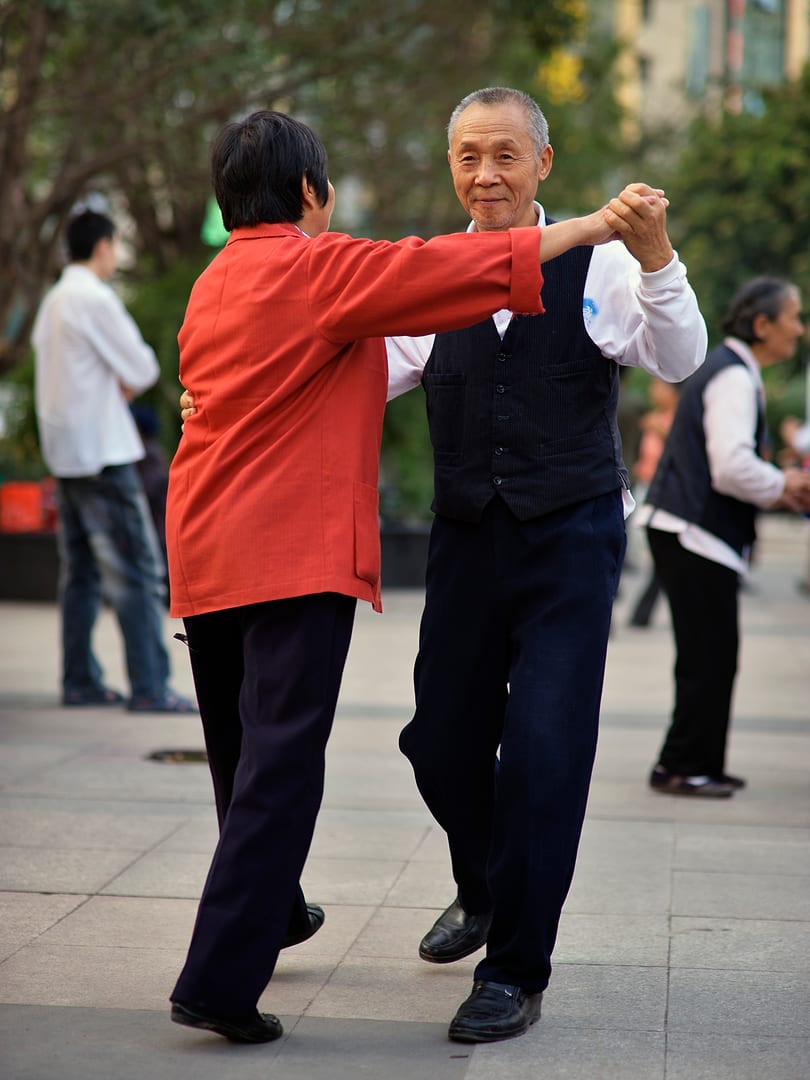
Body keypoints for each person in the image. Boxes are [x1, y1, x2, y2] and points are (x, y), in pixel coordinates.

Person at [165, 107, 629, 1045]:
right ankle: (218, 979)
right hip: (288, 553)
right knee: (281, 770)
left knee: (241, 754)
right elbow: (441, 269)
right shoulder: (316, 267)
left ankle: (277, 903)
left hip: (204, 544)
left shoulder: (212, 283)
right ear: (310, 193)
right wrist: (586, 227)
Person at [390, 86, 707, 1045]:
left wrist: (657, 258)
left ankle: (515, 968)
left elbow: (680, 358)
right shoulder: (432, 271)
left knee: (543, 754)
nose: (485, 175)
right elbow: (361, 372)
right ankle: (485, 888)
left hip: (569, 534)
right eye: (468, 158)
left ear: (544, 163)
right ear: (451, 168)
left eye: (505, 156)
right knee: (438, 742)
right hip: (465, 536)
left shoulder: (602, 263)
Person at [640, 276, 810, 799]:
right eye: (793, 317)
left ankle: (695, 762)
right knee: (709, 657)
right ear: (762, 325)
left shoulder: (734, 369)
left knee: (710, 656)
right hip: (694, 533)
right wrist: (784, 483)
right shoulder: (734, 377)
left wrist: (777, 486)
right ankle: (682, 766)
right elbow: (731, 467)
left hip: (691, 531)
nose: (799, 329)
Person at [32, 210, 195, 713]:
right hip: (103, 454)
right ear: (102, 246)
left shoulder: (53, 300)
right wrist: (121, 385)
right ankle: (150, 686)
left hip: (67, 455)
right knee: (136, 572)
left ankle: (79, 679)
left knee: (81, 574)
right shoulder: (93, 298)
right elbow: (142, 366)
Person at [627, 377, 680, 627]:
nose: (653, 391)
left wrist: (659, 430)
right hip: (644, 486)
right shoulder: (651, 417)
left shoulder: (677, 418)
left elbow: (681, 448)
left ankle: (644, 610)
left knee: (657, 552)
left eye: (659, 386)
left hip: (665, 492)